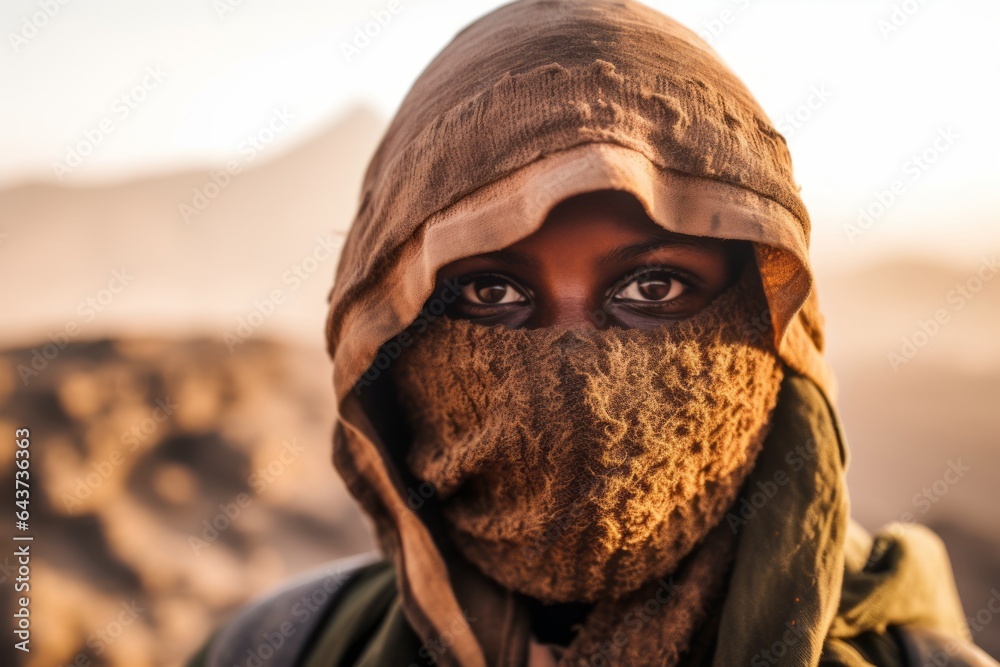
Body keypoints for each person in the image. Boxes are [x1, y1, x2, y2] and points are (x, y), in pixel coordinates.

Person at [187, 1, 997, 665]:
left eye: (653, 286)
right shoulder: (277, 647)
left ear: (768, 327)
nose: (577, 369)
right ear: (389, 349)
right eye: (490, 290)